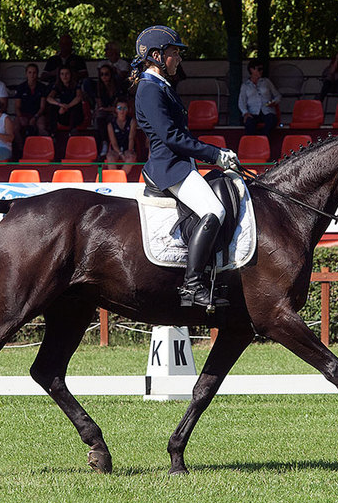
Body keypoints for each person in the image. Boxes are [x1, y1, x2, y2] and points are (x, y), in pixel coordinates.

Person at [132, 25, 239, 309]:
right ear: (156, 55)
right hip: (170, 167)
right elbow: (170, 137)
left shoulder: (161, 86)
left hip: (181, 163)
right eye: (174, 53)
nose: (178, 58)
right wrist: (215, 154)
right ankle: (192, 286)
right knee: (214, 210)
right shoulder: (149, 88)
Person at [238, 59, 282, 136]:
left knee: (272, 120)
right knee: (249, 123)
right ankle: (253, 141)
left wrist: (274, 102)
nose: (261, 71)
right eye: (259, 69)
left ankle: (263, 137)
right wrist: (245, 113)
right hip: (253, 112)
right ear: (252, 69)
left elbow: (277, 95)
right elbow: (242, 101)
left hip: (267, 111)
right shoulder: (245, 85)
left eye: (262, 69)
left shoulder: (266, 82)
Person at [11, 63, 49, 153]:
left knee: (42, 127)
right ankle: (21, 150)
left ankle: (42, 150)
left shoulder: (42, 87)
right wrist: (20, 117)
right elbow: (17, 106)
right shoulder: (21, 87)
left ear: (37, 74)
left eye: (34, 72)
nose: (32, 75)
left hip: (38, 114)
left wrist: (35, 117)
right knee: (15, 127)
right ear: (26, 74)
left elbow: (42, 107)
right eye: (30, 72)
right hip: (23, 114)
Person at [91, 64, 127, 155]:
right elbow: (100, 106)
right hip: (105, 112)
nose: (104, 77)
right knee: (99, 118)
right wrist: (107, 109)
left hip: (116, 112)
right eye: (102, 74)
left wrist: (110, 109)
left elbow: (119, 105)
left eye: (106, 74)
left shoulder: (117, 87)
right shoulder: (98, 87)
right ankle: (104, 143)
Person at [46, 66, 86, 136]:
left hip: (75, 115)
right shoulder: (57, 86)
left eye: (67, 74)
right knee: (52, 108)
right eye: (62, 74)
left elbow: (79, 97)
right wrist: (59, 105)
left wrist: (68, 106)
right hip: (63, 113)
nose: (65, 76)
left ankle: (72, 132)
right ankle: (53, 134)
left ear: (71, 75)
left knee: (76, 106)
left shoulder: (76, 84)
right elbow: (49, 98)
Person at [105, 98, 137, 175]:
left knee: (131, 157)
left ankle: (120, 177)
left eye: (124, 108)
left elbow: (131, 138)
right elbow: (113, 142)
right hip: (115, 150)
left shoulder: (132, 121)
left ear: (128, 110)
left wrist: (129, 151)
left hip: (127, 148)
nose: (122, 111)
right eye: (119, 108)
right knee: (110, 157)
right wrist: (120, 154)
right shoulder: (111, 124)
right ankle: (114, 178)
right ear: (116, 110)